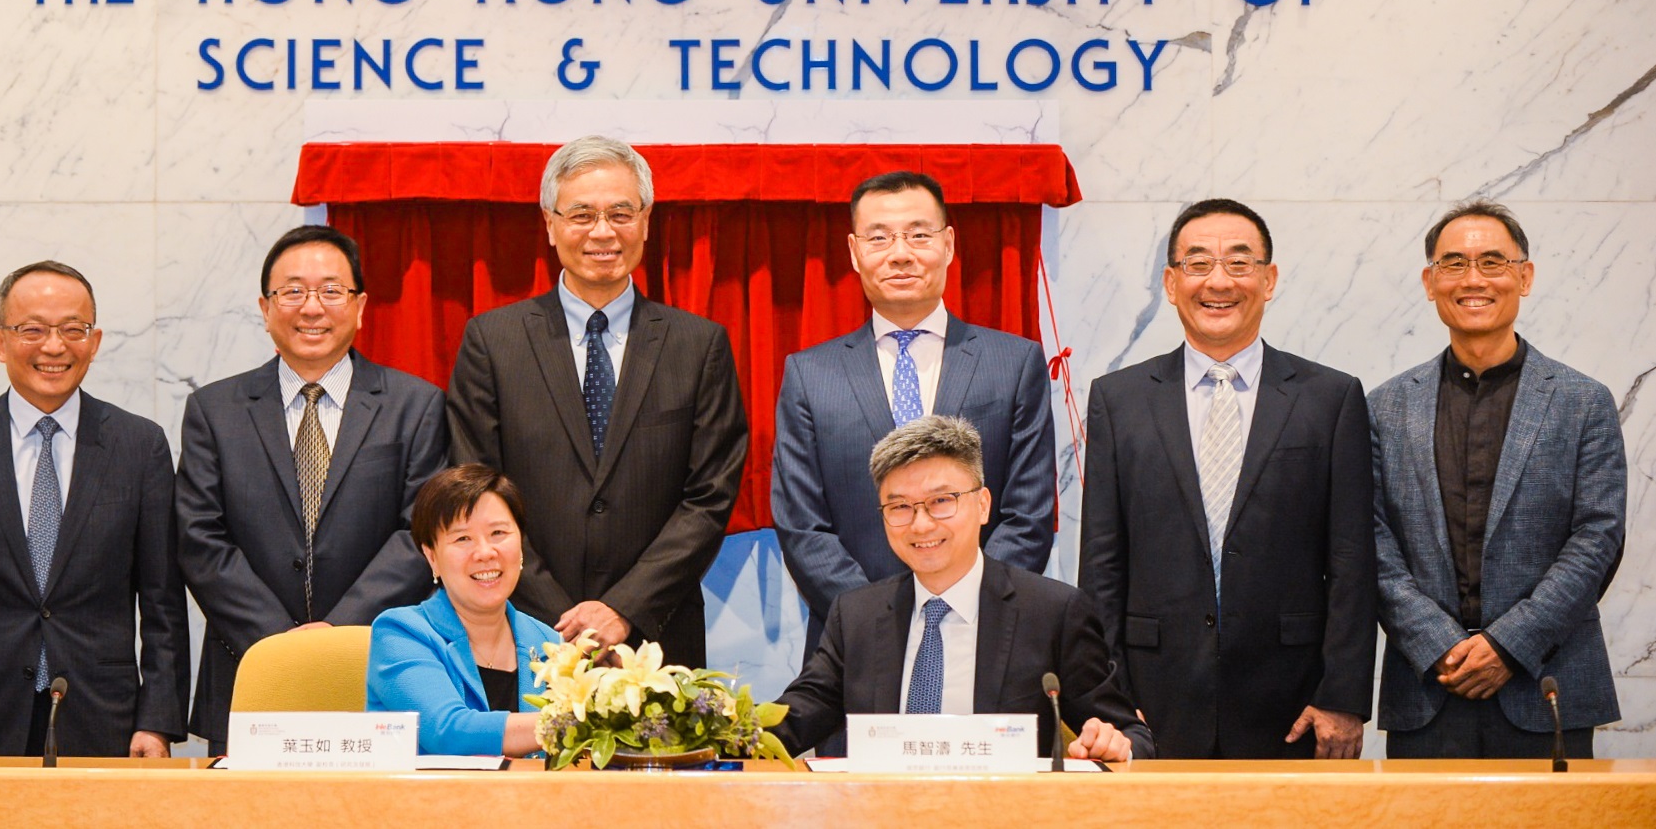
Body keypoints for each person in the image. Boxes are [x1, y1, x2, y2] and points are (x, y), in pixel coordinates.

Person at [1079, 198, 1375, 759]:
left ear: (1269, 280)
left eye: (1239, 263)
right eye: (1198, 264)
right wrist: (1108, 694)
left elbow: (1352, 560)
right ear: (1171, 283)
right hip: (1151, 699)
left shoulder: (1330, 398)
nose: (1218, 282)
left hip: (1292, 701)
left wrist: (1342, 696)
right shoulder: (1119, 400)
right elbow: (1101, 563)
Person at [447, 135, 748, 668]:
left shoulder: (698, 346)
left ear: (646, 221)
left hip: (657, 638)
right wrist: (562, 620)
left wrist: (624, 608)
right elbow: (478, 489)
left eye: (620, 213)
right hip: (525, 634)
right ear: (549, 223)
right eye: (582, 215)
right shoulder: (493, 342)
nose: (603, 232)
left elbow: (709, 498)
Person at [0, 261, 188, 757]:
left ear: (94, 342)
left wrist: (157, 722)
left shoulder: (140, 446)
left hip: (105, 718)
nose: (54, 346)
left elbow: (164, 604)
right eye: (32, 330)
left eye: (73, 329)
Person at [177, 224, 449, 750]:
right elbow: (200, 539)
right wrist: (281, 645)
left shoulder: (416, 406)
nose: (312, 308)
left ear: (360, 306)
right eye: (293, 292)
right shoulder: (214, 410)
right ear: (265, 308)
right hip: (250, 670)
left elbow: (419, 534)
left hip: (378, 665)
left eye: (330, 291)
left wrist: (337, 636)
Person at [1370, 200, 1626, 758]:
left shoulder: (1584, 402)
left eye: (1493, 262)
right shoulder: (1385, 406)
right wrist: (1437, 644)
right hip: (1428, 688)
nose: (1473, 279)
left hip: (1547, 684)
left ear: (1524, 277)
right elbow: (1371, 540)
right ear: (1430, 282)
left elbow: (1598, 538)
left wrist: (1509, 645)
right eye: (1454, 264)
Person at [772, 169, 1056, 659]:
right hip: (853, 645)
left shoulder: (1014, 363)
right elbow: (802, 525)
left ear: (948, 245)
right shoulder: (810, 374)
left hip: (986, 638)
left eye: (919, 235)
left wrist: (967, 607)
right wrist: (874, 619)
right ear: (854, 251)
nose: (900, 253)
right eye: (879, 237)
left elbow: (1028, 514)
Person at [772, 415, 1151, 761]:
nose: (921, 525)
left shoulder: (1052, 613)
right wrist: (738, 730)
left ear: (983, 505)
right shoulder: (856, 616)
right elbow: (791, 721)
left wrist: (1114, 744)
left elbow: (1129, 734)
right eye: (900, 507)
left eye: (941, 501)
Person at [367, 465, 561, 755]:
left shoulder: (550, 643)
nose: (485, 552)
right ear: (432, 557)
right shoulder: (400, 633)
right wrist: (576, 722)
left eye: (498, 533)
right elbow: (448, 732)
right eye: (462, 538)